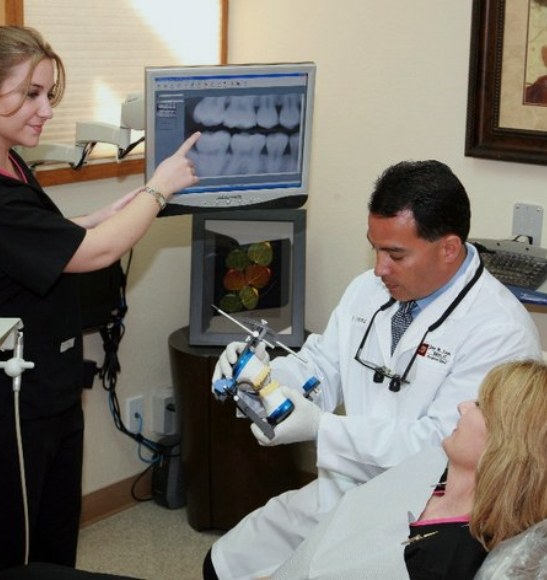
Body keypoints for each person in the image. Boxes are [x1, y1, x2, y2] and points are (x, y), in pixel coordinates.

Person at [204, 159, 543, 579]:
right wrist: (265, 380)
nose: (379, 267)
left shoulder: (500, 332)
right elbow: (320, 368)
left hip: (417, 520)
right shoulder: (369, 289)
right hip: (340, 490)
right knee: (221, 565)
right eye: (375, 247)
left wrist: (321, 430)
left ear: (449, 248)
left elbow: (437, 450)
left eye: (395, 254)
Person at [0, 26, 199, 573]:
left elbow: (47, 239)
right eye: (29, 94)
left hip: (50, 380)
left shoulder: (9, 161)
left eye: (47, 94)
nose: (44, 110)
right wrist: (160, 188)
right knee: (20, 545)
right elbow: (93, 254)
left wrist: (106, 213)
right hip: (13, 398)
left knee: (57, 530)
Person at [266, 359, 547, 579]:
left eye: (479, 405)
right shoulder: (432, 468)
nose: (462, 407)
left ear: (507, 441)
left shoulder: (448, 558)